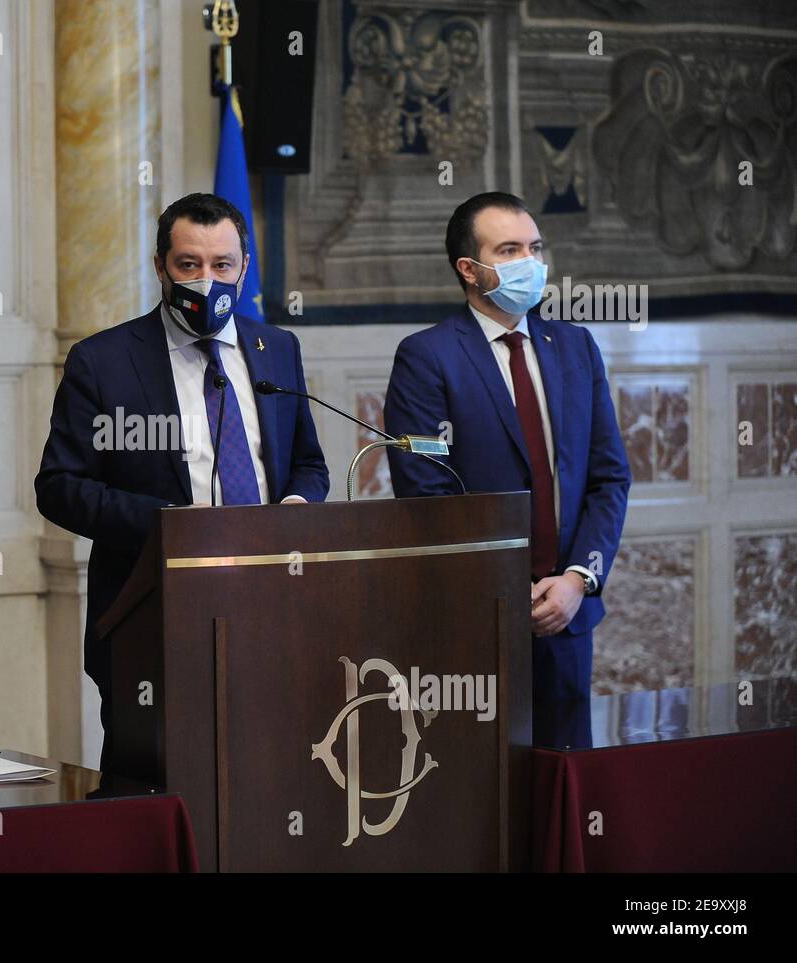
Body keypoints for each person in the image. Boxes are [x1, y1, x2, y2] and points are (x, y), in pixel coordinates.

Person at [35, 192, 330, 770]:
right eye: (188, 265)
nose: (207, 280)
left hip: (271, 609)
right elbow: (59, 486)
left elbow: (309, 464)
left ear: (244, 268)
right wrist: (169, 526)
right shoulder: (104, 361)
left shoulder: (277, 349)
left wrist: (297, 504)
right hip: (153, 618)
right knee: (155, 790)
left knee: (268, 782)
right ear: (161, 268)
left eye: (222, 265)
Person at [383, 191, 631, 731]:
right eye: (511, 250)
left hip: (567, 616)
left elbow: (609, 477)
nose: (530, 264)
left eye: (536, 248)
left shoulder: (575, 346)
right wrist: (502, 587)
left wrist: (576, 579)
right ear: (470, 269)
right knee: (482, 796)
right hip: (474, 622)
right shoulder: (427, 356)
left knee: (565, 783)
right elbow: (426, 493)